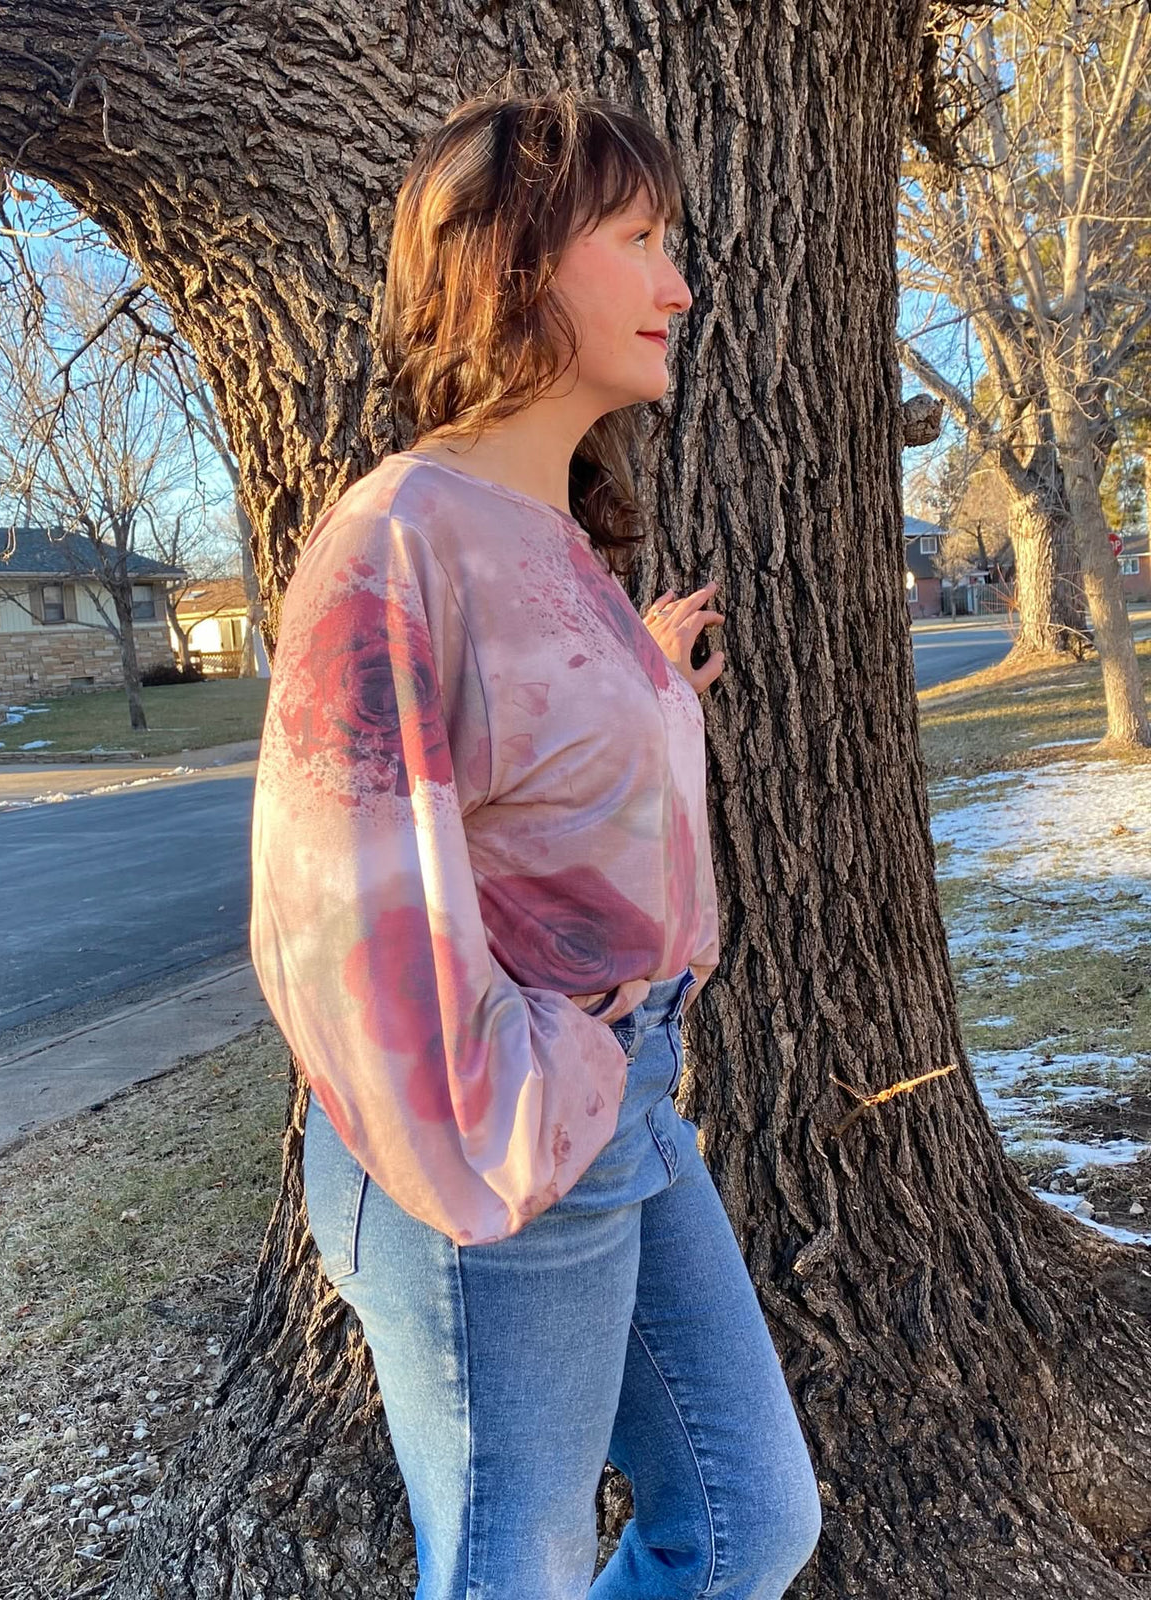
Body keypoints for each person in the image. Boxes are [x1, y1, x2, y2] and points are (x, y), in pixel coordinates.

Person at [250, 86, 821, 1600]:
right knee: (516, 1568)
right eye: (638, 239)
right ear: (514, 262)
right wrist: (540, 1090)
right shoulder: (394, 543)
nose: (680, 283)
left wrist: (642, 679)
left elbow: (523, 764)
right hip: (490, 1120)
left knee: (750, 1518)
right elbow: (338, 923)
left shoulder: (549, 533)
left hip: (614, 1099)